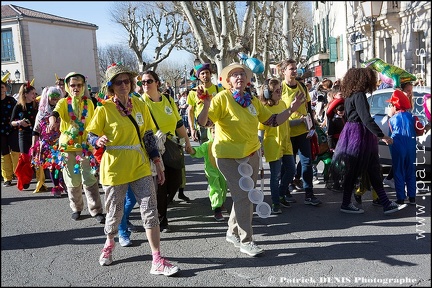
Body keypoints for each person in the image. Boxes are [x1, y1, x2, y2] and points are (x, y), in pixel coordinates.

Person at [197, 63, 305, 256]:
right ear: (228, 81)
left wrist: (291, 109)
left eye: (242, 74)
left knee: (242, 196)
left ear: (247, 80)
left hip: (252, 154)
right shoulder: (222, 98)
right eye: (234, 75)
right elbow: (205, 122)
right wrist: (205, 104)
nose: (239, 77)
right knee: (244, 196)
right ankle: (246, 240)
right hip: (228, 156)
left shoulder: (252, 100)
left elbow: (271, 121)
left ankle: (232, 231)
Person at [86, 63, 179, 276]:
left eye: (127, 81)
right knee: (115, 212)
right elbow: (90, 134)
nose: (123, 85)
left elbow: (148, 135)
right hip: (115, 167)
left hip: (140, 165)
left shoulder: (140, 106)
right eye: (118, 82)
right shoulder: (104, 109)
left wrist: (157, 161)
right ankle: (109, 243)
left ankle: (157, 258)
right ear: (111, 86)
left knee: (150, 209)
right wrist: (98, 140)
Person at [330, 67, 407, 214]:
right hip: (359, 134)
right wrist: (382, 135)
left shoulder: (350, 95)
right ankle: (347, 203)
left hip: (354, 133)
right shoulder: (359, 95)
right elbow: (366, 119)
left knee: (370, 169)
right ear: (363, 79)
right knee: (358, 170)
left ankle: (384, 203)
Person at [48, 72, 105, 223]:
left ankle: (96, 210)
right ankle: (77, 208)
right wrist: (52, 121)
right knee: (72, 180)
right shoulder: (63, 102)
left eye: (79, 85)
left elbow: (95, 122)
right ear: (67, 86)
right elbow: (54, 113)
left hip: (86, 146)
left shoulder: (89, 102)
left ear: (83, 86)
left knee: (89, 178)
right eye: (72, 85)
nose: (76, 88)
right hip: (67, 147)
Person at [140, 70, 192, 232]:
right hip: (153, 148)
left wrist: (188, 144)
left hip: (171, 146)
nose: (146, 85)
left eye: (149, 81)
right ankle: (162, 218)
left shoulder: (168, 99)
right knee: (161, 185)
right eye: (143, 82)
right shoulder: (141, 103)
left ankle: (159, 207)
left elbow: (178, 124)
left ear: (157, 83)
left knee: (175, 182)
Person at [280, 59, 322, 206]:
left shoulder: (302, 86)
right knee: (288, 166)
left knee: (307, 163)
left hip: (304, 132)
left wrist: (312, 125)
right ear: (283, 71)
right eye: (291, 69)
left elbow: (309, 107)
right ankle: (284, 192)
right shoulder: (280, 88)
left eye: (295, 68)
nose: (294, 71)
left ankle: (309, 194)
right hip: (287, 133)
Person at [257, 78, 295, 214]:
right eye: (277, 90)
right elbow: (260, 130)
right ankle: (276, 202)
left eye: (281, 89)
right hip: (273, 144)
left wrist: (300, 121)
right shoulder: (264, 108)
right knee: (275, 175)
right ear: (267, 93)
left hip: (286, 143)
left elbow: (286, 122)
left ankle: (280, 193)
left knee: (291, 170)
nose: (280, 92)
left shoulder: (284, 103)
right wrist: (259, 145)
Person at [386, 89, 423, 205]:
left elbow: (391, 133)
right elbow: (420, 131)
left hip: (398, 146)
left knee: (398, 171)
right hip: (411, 146)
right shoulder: (413, 117)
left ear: (395, 106)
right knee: (410, 171)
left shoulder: (391, 120)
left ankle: (400, 198)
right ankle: (412, 197)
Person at [188, 125, 228, 221]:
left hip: (223, 170)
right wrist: (191, 150)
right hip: (211, 171)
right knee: (215, 189)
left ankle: (221, 202)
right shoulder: (207, 145)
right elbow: (198, 151)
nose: (215, 135)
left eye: (217, 132)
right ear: (210, 133)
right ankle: (217, 209)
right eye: (213, 133)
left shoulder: (225, 143)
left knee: (224, 187)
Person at [31, 86, 65, 197]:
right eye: (52, 98)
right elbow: (36, 130)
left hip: (62, 142)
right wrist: (34, 146)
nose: (54, 101)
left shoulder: (62, 109)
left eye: (57, 98)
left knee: (63, 165)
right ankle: (56, 187)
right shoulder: (41, 112)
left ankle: (63, 183)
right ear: (47, 97)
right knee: (53, 166)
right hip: (47, 144)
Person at [10, 82, 39, 191]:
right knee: (25, 157)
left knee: (36, 157)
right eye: (32, 93)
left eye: (35, 93)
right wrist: (19, 123)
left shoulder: (36, 104)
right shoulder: (18, 106)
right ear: (26, 94)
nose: (34, 95)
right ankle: (24, 179)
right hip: (23, 134)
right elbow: (11, 122)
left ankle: (35, 178)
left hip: (35, 134)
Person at [187, 63, 222, 144]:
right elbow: (190, 111)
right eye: (202, 73)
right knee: (206, 153)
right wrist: (192, 129)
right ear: (199, 76)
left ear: (210, 74)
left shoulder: (219, 89)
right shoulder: (193, 92)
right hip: (202, 127)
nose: (205, 75)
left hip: (217, 125)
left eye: (207, 72)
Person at [1, 73, 20, 187]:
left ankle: (18, 174)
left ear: (6, 88)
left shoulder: (11, 100)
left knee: (15, 153)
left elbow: (18, 112)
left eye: (2, 87)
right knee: (4, 155)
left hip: (12, 130)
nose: (1, 90)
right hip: (1, 132)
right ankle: (7, 178)